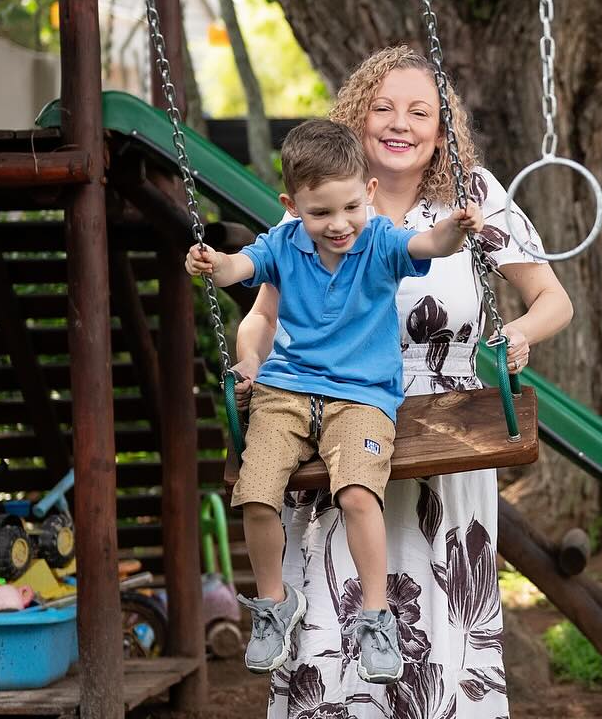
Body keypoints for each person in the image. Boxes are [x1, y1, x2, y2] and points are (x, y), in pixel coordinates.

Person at [232, 47, 573, 719]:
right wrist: (250, 355)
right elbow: (262, 310)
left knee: (432, 662)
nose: (401, 124)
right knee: (329, 649)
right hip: (333, 441)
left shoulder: (475, 198)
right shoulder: (324, 196)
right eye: (385, 106)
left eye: (421, 111)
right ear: (358, 112)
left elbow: (551, 299)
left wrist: (515, 335)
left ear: (442, 124)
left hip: (445, 446)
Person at [188, 119, 483, 684]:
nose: (339, 224)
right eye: (321, 213)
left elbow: (430, 244)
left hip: (361, 398)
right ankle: (274, 605)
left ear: (368, 192)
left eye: (350, 207)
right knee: (256, 493)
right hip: (285, 392)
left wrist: (455, 228)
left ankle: (376, 618)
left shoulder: (381, 241)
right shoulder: (283, 245)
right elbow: (236, 268)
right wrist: (211, 262)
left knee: (356, 494)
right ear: (292, 206)